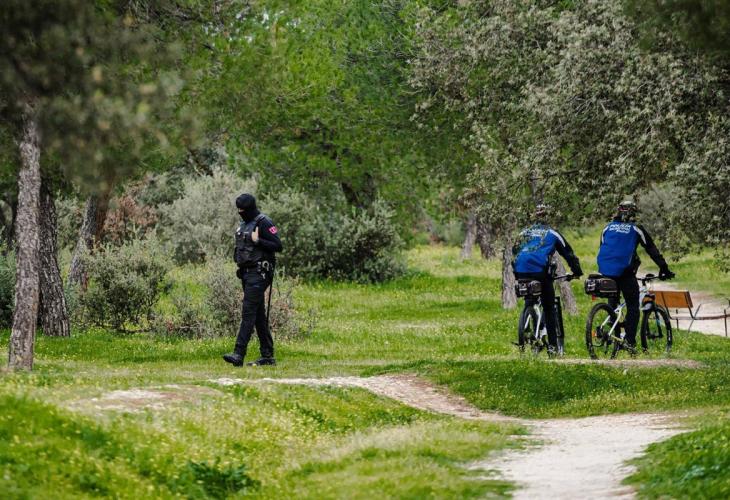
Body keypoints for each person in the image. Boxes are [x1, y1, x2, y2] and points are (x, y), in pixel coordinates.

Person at [597, 200, 675, 354]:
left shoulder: (607, 228)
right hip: (624, 273)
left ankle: (614, 331)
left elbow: (605, 248)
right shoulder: (636, 229)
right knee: (633, 306)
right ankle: (630, 342)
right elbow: (651, 249)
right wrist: (664, 268)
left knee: (613, 302)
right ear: (633, 214)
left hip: (605, 271)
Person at [513, 204, 583, 355]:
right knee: (549, 307)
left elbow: (514, 251)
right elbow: (568, 253)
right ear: (549, 218)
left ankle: (528, 321)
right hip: (540, 272)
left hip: (520, 271)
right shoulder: (552, 233)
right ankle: (552, 347)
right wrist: (577, 271)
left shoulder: (523, 233)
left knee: (529, 298)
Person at [223, 193, 283, 367]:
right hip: (246, 274)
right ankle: (267, 356)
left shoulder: (264, 222)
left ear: (250, 209)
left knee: (248, 312)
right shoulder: (244, 224)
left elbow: (278, 246)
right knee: (258, 316)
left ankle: (238, 353)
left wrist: (258, 241)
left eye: (242, 210)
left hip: (260, 273)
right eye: (238, 210)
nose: (240, 213)